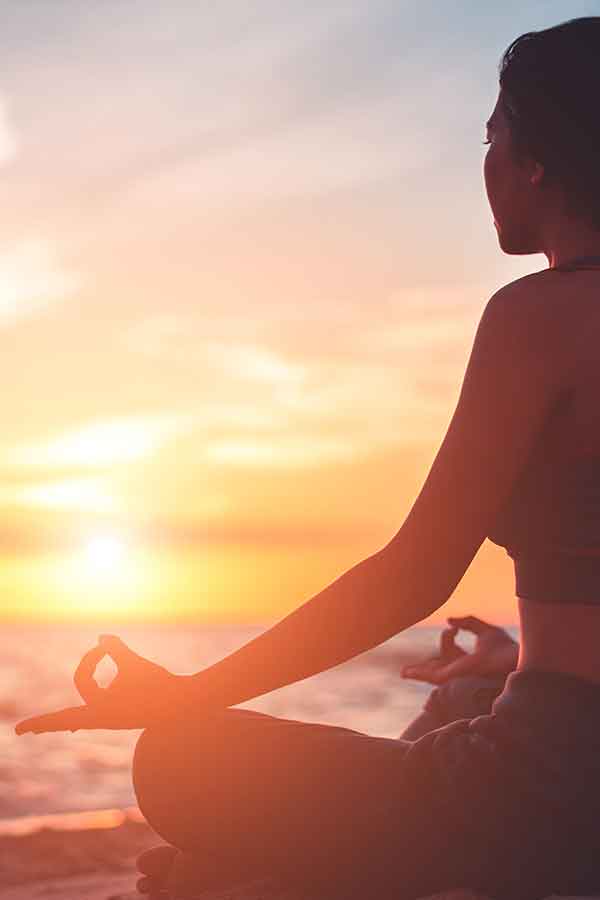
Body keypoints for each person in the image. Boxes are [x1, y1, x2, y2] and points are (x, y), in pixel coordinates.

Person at [15, 15, 600, 900]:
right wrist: (522, 652)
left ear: (539, 160)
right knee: (460, 701)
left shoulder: (540, 317)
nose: (484, 160)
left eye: (494, 133)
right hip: (562, 741)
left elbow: (413, 575)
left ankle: (254, 881)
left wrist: (186, 695)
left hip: (556, 779)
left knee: (180, 763)